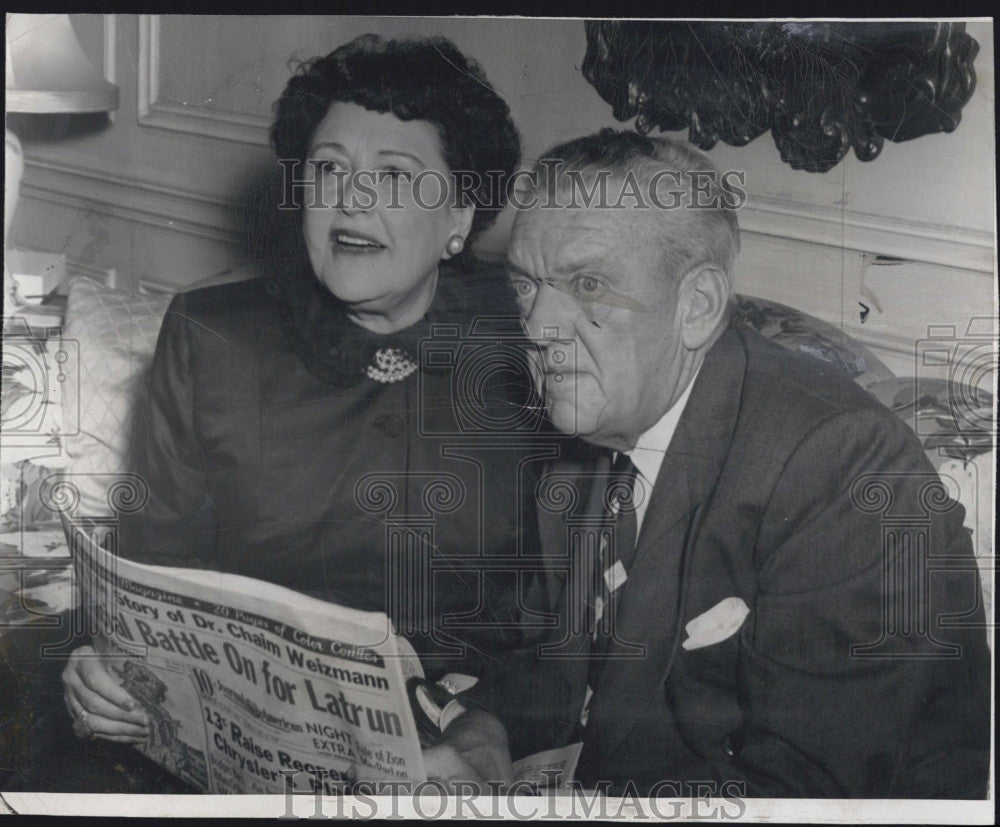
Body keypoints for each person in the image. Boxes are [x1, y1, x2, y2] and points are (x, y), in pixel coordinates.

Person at [55, 34, 533, 790]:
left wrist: (488, 726)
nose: (351, 199)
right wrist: (105, 663)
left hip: (466, 745)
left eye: (395, 176)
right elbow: (148, 573)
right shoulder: (214, 336)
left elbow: (572, 617)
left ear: (461, 215)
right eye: (330, 168)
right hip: (240, 745)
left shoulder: (532, 349)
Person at [478, 128, 989, 798]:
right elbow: (550, 660)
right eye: (527, 287)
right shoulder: (588, 432)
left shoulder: (842, 463)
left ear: (697, 307)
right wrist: (480, 730)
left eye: (588, 282)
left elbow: (807, 790)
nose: (539, 328)